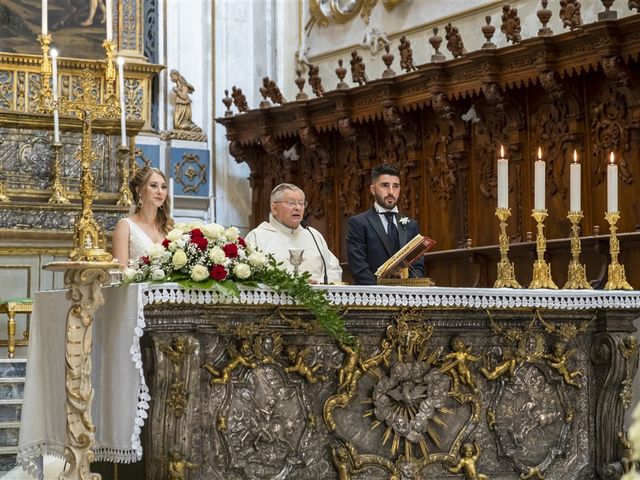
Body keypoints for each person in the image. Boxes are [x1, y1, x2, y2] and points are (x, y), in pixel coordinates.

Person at [245, 183, 342, 284]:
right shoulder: (257, 237)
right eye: (291, 203)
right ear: (274, 208)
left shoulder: (313, 236)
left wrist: (319, 283)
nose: (297, 208)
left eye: (301, 203)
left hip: (314, 297)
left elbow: (333, 269)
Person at [346, 164, 424, 285]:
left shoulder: (411, 225)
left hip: (406, 297)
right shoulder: (359, 223)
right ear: (373, 189)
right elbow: (359, 267)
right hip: (373, 297)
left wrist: (410, 290)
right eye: (385, 185)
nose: (391, 192)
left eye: (396, 186)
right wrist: (381, 294)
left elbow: (417, 266)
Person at [112, 167, 174, 267]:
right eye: (153, 186)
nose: (160, 191)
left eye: (163, 187)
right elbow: (120, 273)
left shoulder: (169, 228)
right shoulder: (125, 226)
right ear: (139, 190)